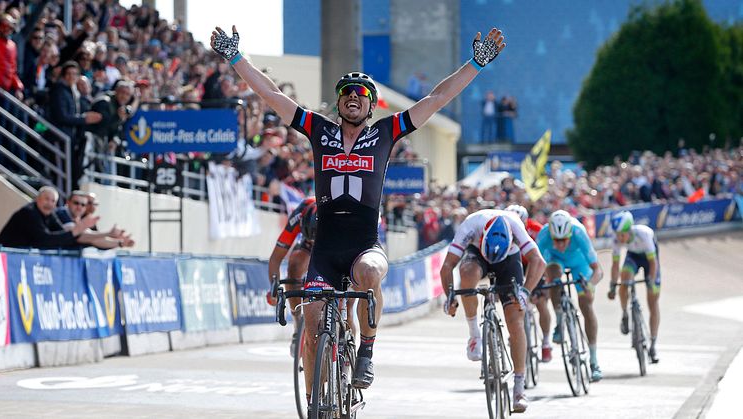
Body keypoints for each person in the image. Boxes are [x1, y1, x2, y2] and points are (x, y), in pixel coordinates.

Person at [211, 23, 506, 404]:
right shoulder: (318, 130)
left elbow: (436, 98)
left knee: (368, 275)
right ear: (339, 103)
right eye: (346, 92)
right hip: (325, 250)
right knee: (312, 328)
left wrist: (476, 64)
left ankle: (366, 350)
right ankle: (319, 401)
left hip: (365, 245)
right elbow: (269, 93)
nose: (353, 96)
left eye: (361, 93)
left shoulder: (385, 132)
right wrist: (236, 56)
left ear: (371, 105)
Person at [440, 209, 545, 413]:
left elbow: (538, 262)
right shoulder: (471, 226)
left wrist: (525, 292)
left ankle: (519, 388)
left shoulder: (516, 226)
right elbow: (447, 266)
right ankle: (474, 335)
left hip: (509, 258)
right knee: (466, 272)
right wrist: (450, 297)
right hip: (478, 254)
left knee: (515, 319)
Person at [536, 210, 604, 382]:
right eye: (556, 241)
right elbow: (536, 265)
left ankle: (594, 360)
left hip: (579, 263)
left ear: (570, 235)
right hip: (555, 261)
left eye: (563, 240)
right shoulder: (544, 235)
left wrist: (590, 285)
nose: (559, 244)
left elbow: (598, 270)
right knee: (553, 274)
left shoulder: (579, 232)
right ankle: (559, 322)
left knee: (586, 304)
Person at [0, 186, 131, 250]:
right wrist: (77, 231)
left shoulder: (51, 214)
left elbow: (71, 238)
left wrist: (117, 242)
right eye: (46, 199)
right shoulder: (29, 213)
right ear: (37, 199)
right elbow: (46, 240)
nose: (49, 204)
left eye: (52, 201)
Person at [607, 211, 661, 363]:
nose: (619, 238)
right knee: (624, 280)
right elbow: (615, 265)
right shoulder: (616, 239)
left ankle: (653, 344)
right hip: (633, 257)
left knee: (653, 299)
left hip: (650, 258)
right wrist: (612, 285)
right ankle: (625, 313)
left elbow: (653, 263)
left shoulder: (643, 235)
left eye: (622, 235)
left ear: (629, 230)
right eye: (617, 234)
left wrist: (650, 279)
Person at [267, 196, 318, 355]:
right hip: (307, 246)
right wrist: (274, 288)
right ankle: (298, 322)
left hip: (332, 242)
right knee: (295, 264)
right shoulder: (300, 213)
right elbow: (276, 258)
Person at [506, 204, 553, 363]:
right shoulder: (503, 228)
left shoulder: (537, 229)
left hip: (534, 261)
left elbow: (543, 258)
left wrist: (545, 280)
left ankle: (546, 342)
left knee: (540, 302)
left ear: (526, 222)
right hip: (516, 262)